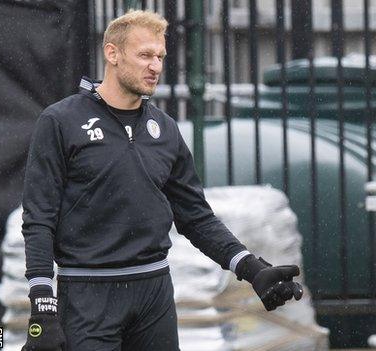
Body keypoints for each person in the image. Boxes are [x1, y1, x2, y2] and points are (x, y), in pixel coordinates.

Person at [20, 10, 303, 351]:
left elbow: (195, 216)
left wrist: (251, 268)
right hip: (86, 294)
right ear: (113, 53)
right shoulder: (60, 121)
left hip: (154, 295)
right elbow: (39, 219)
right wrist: (42, 304)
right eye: (144, 55)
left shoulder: (165, 129)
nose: (155, 66)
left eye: (160, 57)